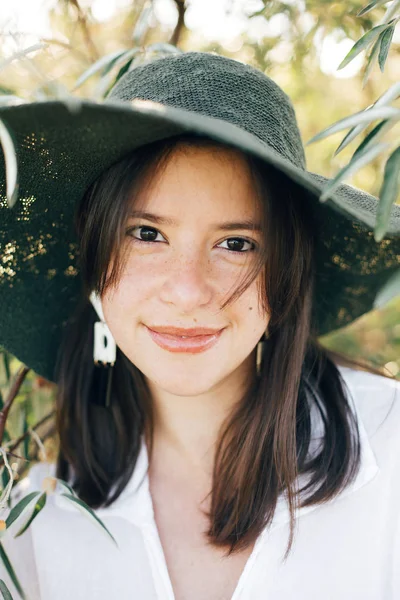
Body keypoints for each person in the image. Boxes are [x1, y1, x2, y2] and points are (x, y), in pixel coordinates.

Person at [0, 51, 399, 600]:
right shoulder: (37, 521)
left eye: (236, 244)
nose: (188, 291)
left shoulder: (390, 450)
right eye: (146, 234)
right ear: (91, 257)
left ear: (285, 271)